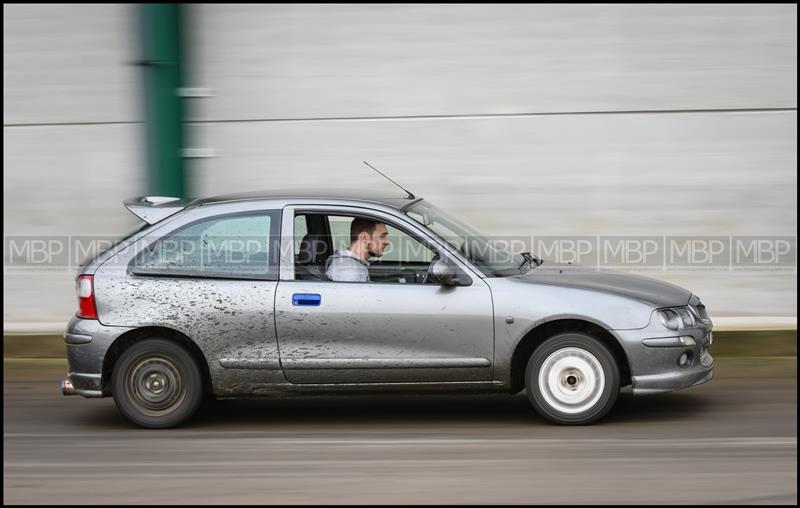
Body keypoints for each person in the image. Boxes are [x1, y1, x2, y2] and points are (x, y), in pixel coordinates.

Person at [325, 218, 390, 282]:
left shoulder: (353, 265)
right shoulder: (349, 271)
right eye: (382, 236)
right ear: (364, 237)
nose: (387, 242)